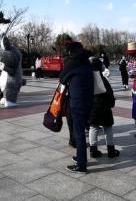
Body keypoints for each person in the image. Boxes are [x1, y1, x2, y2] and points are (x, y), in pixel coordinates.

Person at [59, 41, 94, 174]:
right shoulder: (87, 62)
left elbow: (62, 79)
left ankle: (81, 165)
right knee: (82, 131)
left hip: (78, 102)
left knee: (78, 133)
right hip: (89, 101)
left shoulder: (72, 63)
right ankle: (81, 156)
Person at [88, 57, 119, 159]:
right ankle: (111, 150)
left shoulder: (88, 80)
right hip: (105, 107)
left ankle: (93, 150)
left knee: (93, 127)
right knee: (108, 127)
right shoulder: (104, 80)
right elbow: (110, 94)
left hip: (93, 107)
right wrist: (111, 104)